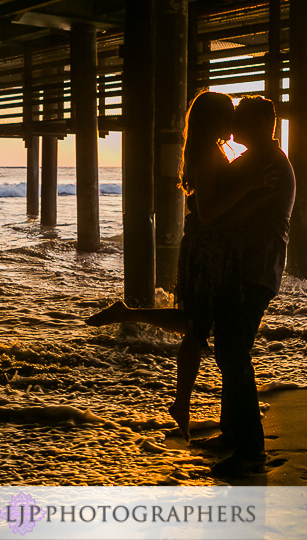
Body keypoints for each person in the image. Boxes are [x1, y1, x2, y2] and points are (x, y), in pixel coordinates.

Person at [86, 91, 269, 441]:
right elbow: (210, 213)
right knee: (196, 325)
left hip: (206, 247)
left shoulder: (208, 151)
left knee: (195, 326)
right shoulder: (206, 155)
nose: (233, 123)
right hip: (207, 250)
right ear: (214, 121)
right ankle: (180, 398)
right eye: (228, 116)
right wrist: (252, 185)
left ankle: (180, 400)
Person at [208, 96, 294, 476]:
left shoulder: (271, 165)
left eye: (240, 120)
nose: (233, 126)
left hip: (255, 271)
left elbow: (231, 216)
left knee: (234, 353)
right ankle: (232, 434)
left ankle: (251, 451)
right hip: (248, 269)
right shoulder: (256, 160)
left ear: (261, 124)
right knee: (229, 351)